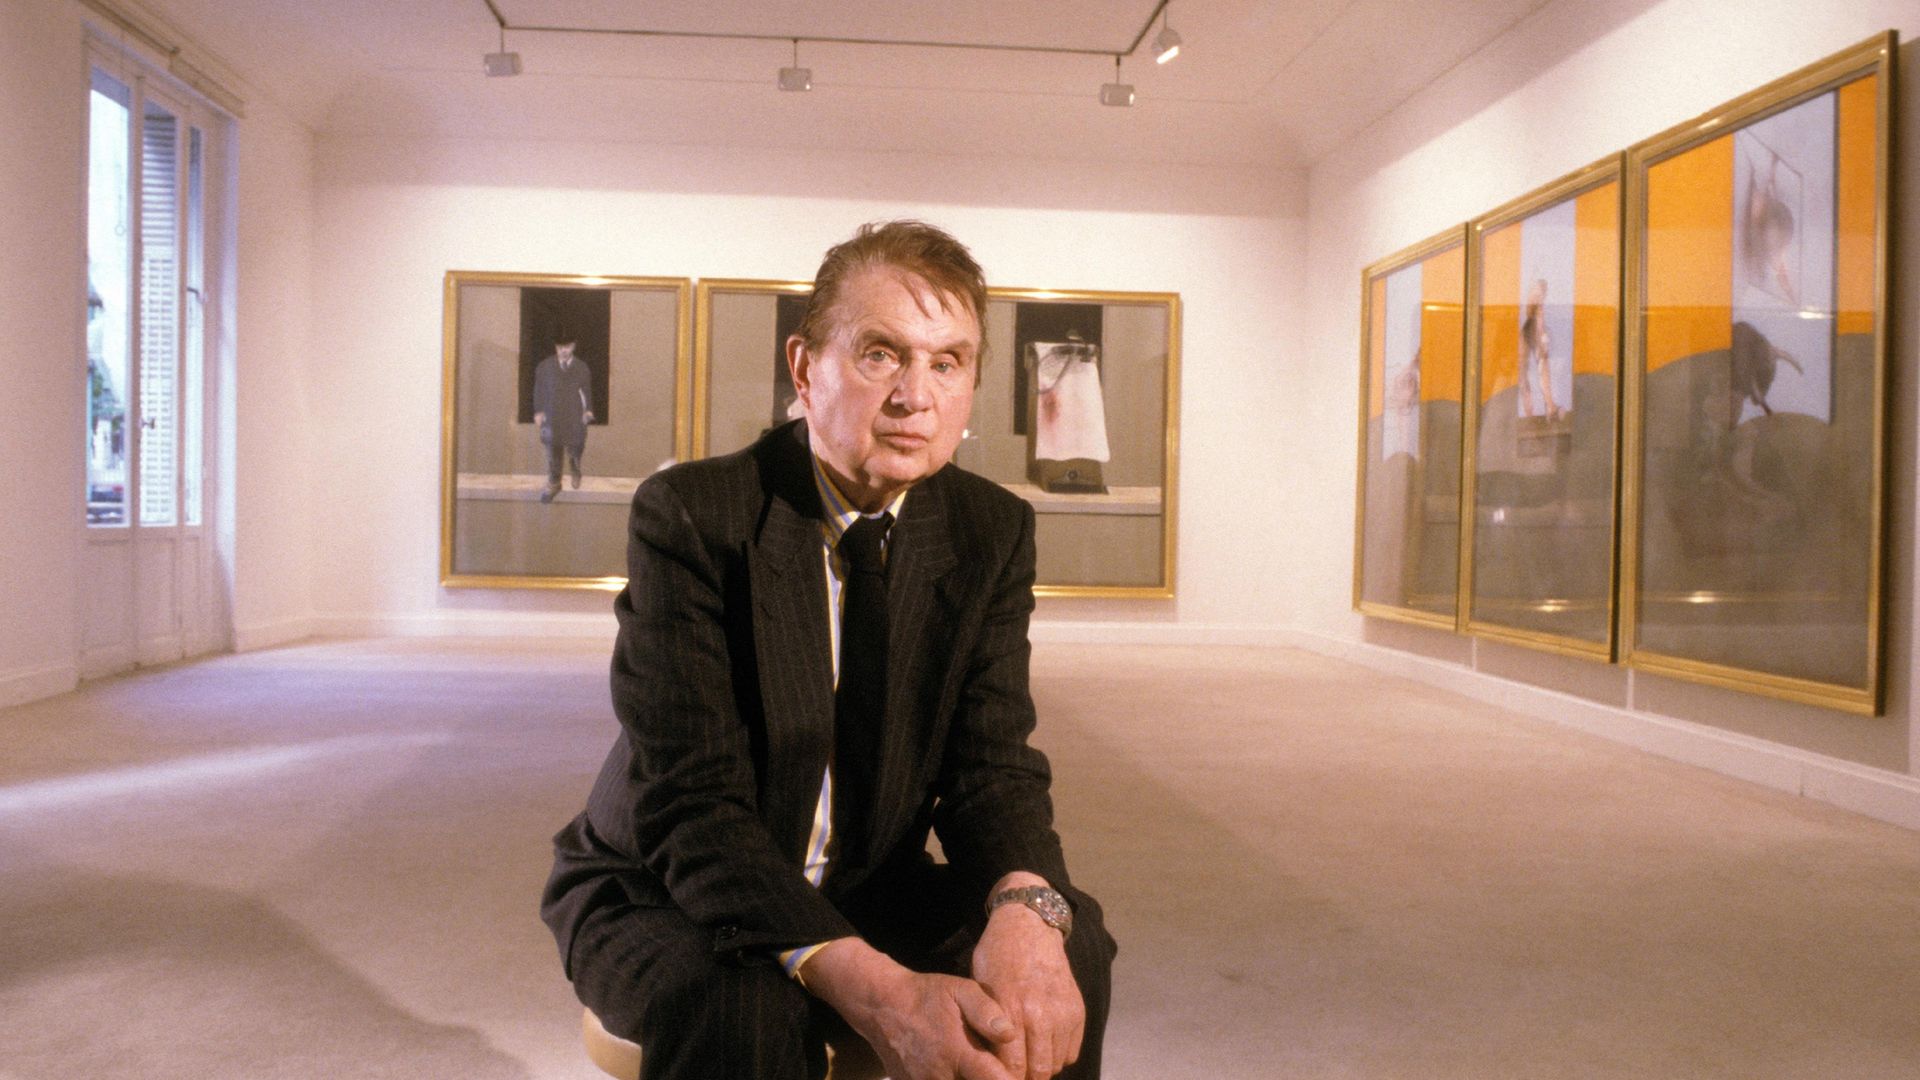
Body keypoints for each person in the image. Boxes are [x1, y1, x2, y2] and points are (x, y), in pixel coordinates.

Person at [541, 220, 1114, 1080]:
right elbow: (691, 808)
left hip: (862, 873)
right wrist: (883, 991)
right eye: (882, 353)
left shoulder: (990, 529)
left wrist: (1026, 907)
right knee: (744, 1007)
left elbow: (991, 766)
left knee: (1070, 949)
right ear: (805, 368)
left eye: (947, 361)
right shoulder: (694, 517)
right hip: (666, 884)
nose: (915, 395)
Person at [533, 338, 595, 502]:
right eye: (560, 347)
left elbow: (586, 390)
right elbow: (539, 390)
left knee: (575, 447)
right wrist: (539, 411)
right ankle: (554, 482)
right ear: (556, 347)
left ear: (573, 346)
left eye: (567, 347)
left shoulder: (581, 367)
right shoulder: (545, 366)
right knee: (553, 448)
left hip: (574, 413)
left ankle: (575, 470)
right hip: (552, 414)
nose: (563, 351)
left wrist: (588, 410)